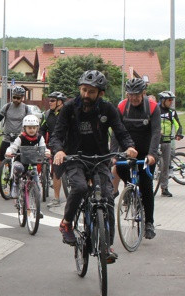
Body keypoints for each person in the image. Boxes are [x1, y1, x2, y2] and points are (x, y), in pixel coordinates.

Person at [50, 70, 137, 261]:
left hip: (100, 158)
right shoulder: (69, 108)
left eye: (91, 92)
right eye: (83, 90)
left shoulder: (108, 109)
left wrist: (129, 146)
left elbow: (121, 131)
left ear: (100, 93)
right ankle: (66, 223)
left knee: (107, 197)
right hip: (74, 158)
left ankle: (108, 246)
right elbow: (57, 134)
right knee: (80, 187)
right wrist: (58, 150)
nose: (86, 95)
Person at [112, 78, 161, 240]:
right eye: (130, 95)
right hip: (127, 151)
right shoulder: (121, 107)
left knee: (146, 185)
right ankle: (130, 187)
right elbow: (116, 132)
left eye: (137, 95)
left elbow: (155, 133)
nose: (133, 98)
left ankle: (149, 223)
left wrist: (152, 154)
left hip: (147, 153)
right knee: (120, 168)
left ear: (144, 93)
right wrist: (114, 154)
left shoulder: (153, 107)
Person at [0, 86, 30, 197]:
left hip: (20, 139)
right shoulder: (7, 107)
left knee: (22, 163)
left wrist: (26, 133)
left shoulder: (26, 109)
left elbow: (30, 123)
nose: (16, 100)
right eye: (14, 97)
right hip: (7, 138)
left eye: (18, 98)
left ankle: (21, 185)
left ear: (22, 98)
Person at [5, 114, 46, 218]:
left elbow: (43, 148)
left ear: (37, 128)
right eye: (29, 128)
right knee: (18, 168)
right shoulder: (21, 137)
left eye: (34, 128)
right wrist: (9, 151)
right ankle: (15, 184)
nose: (31, 130)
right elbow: (13, 147)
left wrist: (47, 152)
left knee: (37, 184)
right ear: (24, 128)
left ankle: (37, 208)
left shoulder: (40, 137)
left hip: (32, 163)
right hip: (21, 162)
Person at [39, 91, 66, 206]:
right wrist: (39, 141)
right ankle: (56, 198)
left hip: (68, 144)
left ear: (60, 102)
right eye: (49, 100)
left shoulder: (67, 113)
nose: (49, 102)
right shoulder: (47, 114)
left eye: (52, 100)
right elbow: (42, 129)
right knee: (56, 170)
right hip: (54, 144)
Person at [157, 91, 184, 197]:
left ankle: (164, 188)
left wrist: (179, 133)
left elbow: (178, 124)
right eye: (169, 100)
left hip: (166, 141)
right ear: (163, 100)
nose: (171, 102)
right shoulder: (155, 110)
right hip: (155, 141)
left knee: (165, 166)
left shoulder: (172, 112)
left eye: (172, 100)